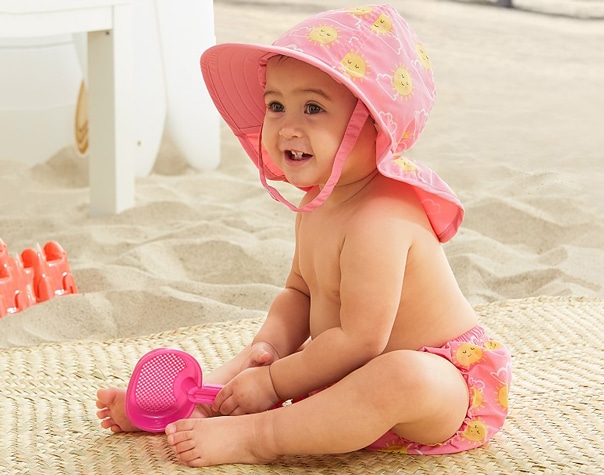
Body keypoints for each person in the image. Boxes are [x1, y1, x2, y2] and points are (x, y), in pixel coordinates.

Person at [96, 4, 511, 467]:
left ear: (374, 124)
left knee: (402, 375)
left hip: (439, 392)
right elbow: (300, 292)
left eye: (313, 107)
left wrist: (275, 386)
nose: (287, 126)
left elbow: (360, 342)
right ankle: (203, 398)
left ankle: (259, 434)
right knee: (260, 359)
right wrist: (269, 350)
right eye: (276, 105)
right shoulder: (320, 201)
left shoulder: (382, 219)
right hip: (344, 376)